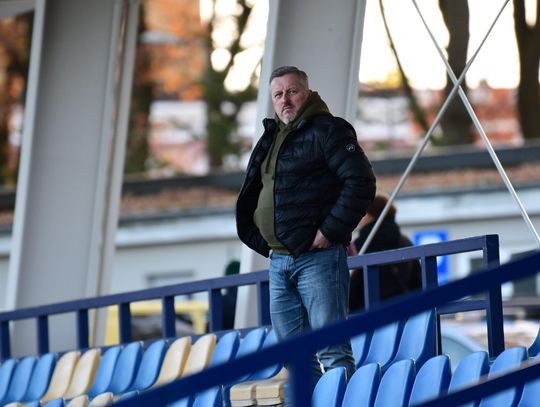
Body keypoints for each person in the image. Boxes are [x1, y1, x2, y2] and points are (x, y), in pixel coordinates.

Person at [236, 66, 376, 388]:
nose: (285, 100)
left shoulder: (329, 130)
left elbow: (361, 183)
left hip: (319, 258)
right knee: (294, 356)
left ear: (308, 93)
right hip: (279, 260)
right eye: (278, 94)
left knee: (332, 351)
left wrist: (328, 232)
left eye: (292, 91)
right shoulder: (272, 136)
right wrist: (265, 241)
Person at [348, 193, 422, 313]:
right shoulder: (405, 242)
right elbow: (417, 280)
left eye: (362, 212)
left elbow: (355, 283)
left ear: (370, 215)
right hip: (404, 309)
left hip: (369, 313)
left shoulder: (362, 244)